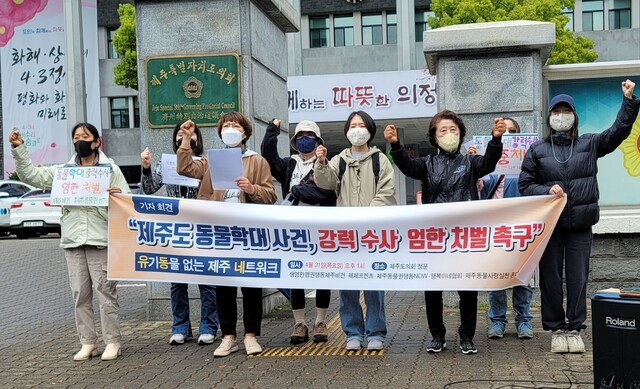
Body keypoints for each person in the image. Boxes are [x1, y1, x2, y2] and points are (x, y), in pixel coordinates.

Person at [519, 80, 639, 354]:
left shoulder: (589, 144)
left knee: (578, 278)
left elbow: (618, 132)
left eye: (566, 111)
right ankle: (555, 329)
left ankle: (574, 328)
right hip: (550, 226)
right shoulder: (538, 150)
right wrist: (546, 188)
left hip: (581, 225)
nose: (561, 116)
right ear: (550, 117)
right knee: (550, 279)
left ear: (574, 116)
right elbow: (525, 184)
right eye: (556, 111)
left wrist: (628, 101)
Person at [384, 110, 506, 354]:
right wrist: (395, 145)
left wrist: (496, 140)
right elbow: (407, 167)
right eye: (443, 130)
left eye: (453, 130)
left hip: (464, 235)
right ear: (434, 136)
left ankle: (467, 336)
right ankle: (437, 336)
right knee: (433, 290)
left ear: (460, 134)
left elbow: (489, 163)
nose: (449, 134)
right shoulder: (427, 164)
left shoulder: (471, 163)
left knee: (468, 290)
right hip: (435, 237)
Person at [8, 123, 130, 361]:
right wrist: (19, 148)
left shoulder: (110, 169)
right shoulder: (64, 172)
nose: (80, 141)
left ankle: (113, 341)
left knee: (106, 292)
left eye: (85, 137)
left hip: (100, 239)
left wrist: (113, 198)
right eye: (76, 137)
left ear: (97, 142)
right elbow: (32, 176)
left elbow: (126, 203)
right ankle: (88, 342)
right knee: (80, 294)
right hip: (73, 239)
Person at [176, 113, 277, 357]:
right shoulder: (212, 158)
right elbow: (185, 168)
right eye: (226, 126)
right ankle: (228, 336)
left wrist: (252, 189)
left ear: (245, 133)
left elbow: (271, 195)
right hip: (219, 230)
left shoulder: (257, 161)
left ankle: (251, 335)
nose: (230, 129)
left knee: (251, 284)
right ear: (220, 132)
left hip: (247, 230)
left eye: (235, 126)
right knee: (224, 285)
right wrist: (187, 140)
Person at [314, 110, 396, 351]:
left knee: (373, 285)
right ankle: (352, 332)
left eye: (361, 125)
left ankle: (376, 332)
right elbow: (326, 182)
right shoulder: (339, 160)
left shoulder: (379, 160)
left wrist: (366, 216)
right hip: (346, 234)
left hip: (371, 232)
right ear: (347, 131)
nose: (357, 129)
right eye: (353, 125)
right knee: (347, 284)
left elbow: (386, 192)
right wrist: (320, 163)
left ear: (370, 130)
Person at [140, 120, 219, 346]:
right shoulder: (165, 164)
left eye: (191, 137)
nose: (185, 140)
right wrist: (146, 166)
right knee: (177, 282)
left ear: (198, 140)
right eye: (180, 137)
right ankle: (180, 327)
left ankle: (208, 326)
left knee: (206, 280)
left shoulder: (206, 164)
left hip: (203, 228)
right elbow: (148, 188)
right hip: (175, 230)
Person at [260, 118, 336, 344]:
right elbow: (268, 155)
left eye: (309, 136)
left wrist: (297, 191)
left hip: (320, 230)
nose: (305, 140)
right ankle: (299, 323)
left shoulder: (326, 165)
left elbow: (326, 194)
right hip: (293, 232)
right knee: (295, 275)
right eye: (300, 136)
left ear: (318, 141)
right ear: (295, 141)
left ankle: (320, 322)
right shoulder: (288, 164)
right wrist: (272, 130)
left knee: (323, 276)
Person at [469, 118, 534, 340]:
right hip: (494, 231)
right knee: (495, 279)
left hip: (521, 229)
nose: (507, 136)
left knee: (522, 278)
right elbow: (476, 189)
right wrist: (472, 165)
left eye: (512, 132)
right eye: (502, 131)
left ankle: (523, 321)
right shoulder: (485, 163)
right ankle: (497, 321)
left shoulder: (527, 163)